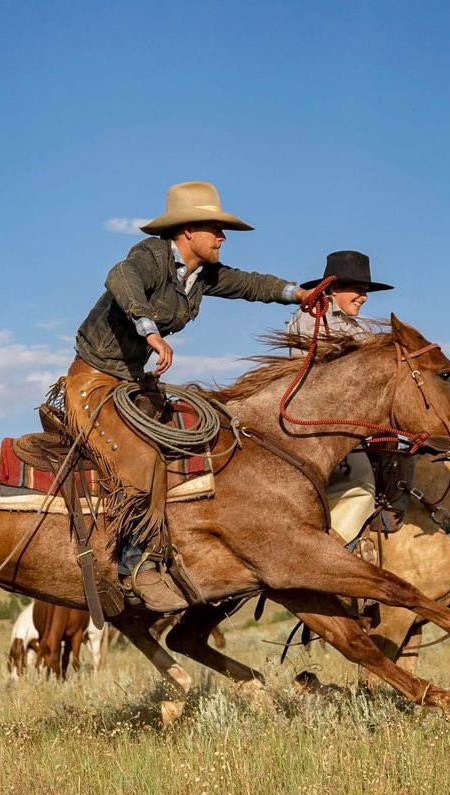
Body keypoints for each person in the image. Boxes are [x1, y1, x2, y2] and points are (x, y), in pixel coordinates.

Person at [66, 181, 312, 611]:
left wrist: (298, 293)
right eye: (215, 229)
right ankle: (133, 565)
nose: (222, 238)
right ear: (187, 232)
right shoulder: (149, 257)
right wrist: (151, 332)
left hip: (130, 382)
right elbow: (120, 278)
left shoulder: (201, 276)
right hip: (92, 381)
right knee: (142, 457)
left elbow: (250, 284)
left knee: (203, 433)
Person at [285, 250, 394, 547]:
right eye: (358, 289)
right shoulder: (313, 318)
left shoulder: (356, 328)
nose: (364, 297)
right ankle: (330, 554)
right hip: (317, 423)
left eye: (366, 291)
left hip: (338, 422)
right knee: (361, 485)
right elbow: (320, 377)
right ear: (333, 289)